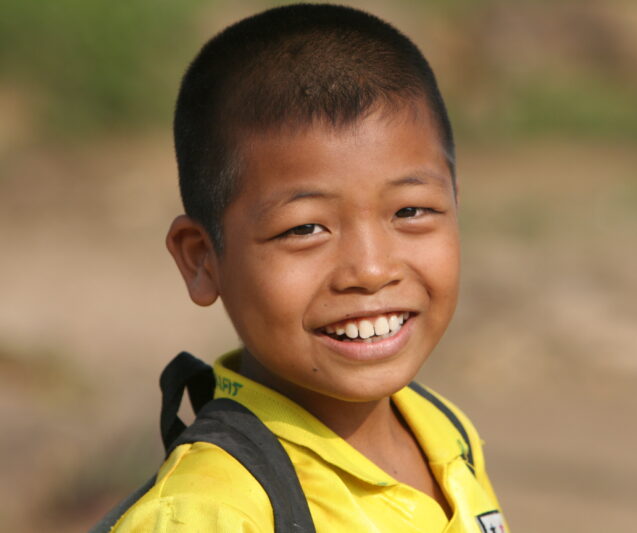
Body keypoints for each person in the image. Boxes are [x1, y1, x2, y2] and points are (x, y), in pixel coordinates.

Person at [109, 4, 508, 532]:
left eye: (410, 211)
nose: (370, 270)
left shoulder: (442, 428)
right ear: (201, 259)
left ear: (455, 205)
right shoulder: (212, 513)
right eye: (304, 229)